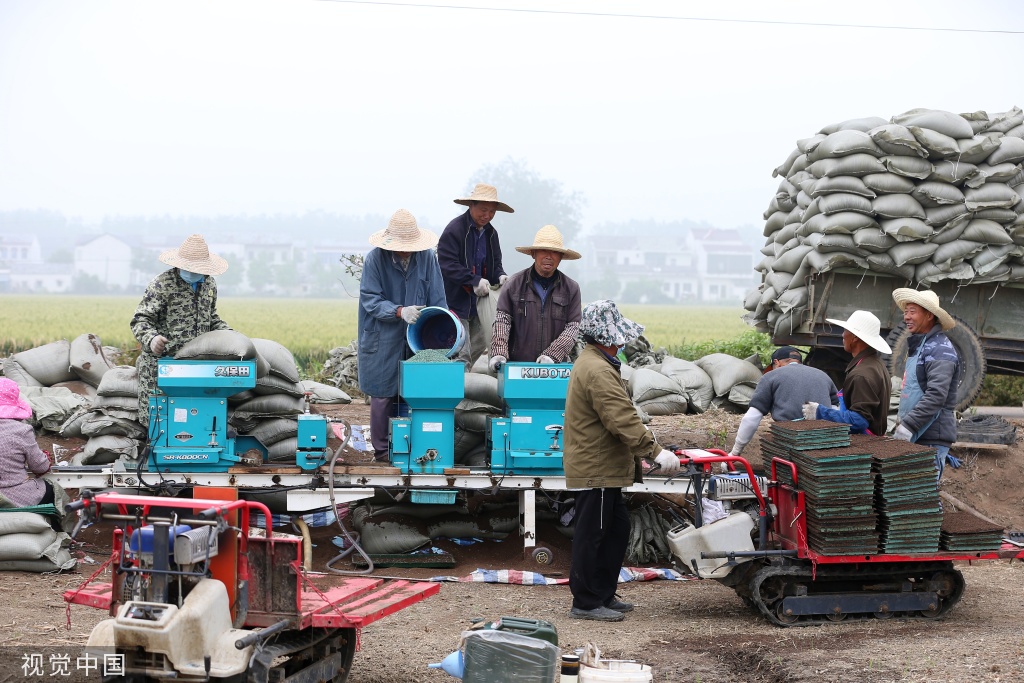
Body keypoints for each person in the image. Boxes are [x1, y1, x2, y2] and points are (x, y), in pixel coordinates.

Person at [563, 300, 681, 622]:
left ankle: (602, 593)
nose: (623, 340)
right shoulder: (598, 369)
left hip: (604, 466)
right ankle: (586, 602)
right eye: (619, 334)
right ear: (608, 335)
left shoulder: (597, 362)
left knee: (615, 529)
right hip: (597, 468)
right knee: (594, 534)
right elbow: (622, 419)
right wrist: (655, 452)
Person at [358, 209, 447, 463]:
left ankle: (415, 446)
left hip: (419, 334)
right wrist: (399, 311)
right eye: (401, 246)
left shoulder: (427, 258)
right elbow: (371, 300)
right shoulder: (375, 260)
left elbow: (438, 297)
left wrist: (441, 332)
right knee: (383, 392)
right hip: (382, 334)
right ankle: (383, 451)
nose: (405, 250)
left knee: (418, 389)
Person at [131, 234, 231, 426]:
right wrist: (152, 339)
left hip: (195, 367)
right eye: (188, 267)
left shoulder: (209, 284)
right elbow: (140, 320)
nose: (192, 272)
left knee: (193, 419)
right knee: (159, 423)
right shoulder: (162, 285)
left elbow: (212, 318)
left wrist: (230, 336)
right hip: (161, 367)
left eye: (197, 268)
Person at [488, 225, 582, 372]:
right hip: (517, 368)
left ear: (561, 257)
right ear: (533, 253)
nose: (549, 256)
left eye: (555, 252)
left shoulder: (571, 289)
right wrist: (499, 353)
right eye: (543, 250)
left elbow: (573, 328)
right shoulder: (513, 284)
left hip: (555, 369)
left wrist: (552, 356)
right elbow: (502, 321)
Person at [890, 288, 960, 485]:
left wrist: (908, 425)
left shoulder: (940, 350)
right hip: (918, 435)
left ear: (929, 315)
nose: (907, 317)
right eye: (906, 312)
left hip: (930, 437)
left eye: (912, 311)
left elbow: (937, 395)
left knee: (922, 498)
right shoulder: (922, 345)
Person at [437, 183, 511, 368]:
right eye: (483, 210)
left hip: (480, 304)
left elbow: (496, 264)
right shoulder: (455, 230)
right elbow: (447, 264)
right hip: (456, 302)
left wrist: (501, 276)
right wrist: (474, 280)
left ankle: (461, 387)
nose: (487, 216)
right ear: (471, 206)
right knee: (461, 355)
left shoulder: (491, 234)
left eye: (492, 212)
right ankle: (453, 394)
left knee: (475, 351)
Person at [729, 346, 838, 456]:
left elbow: (752, 417)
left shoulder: (771, 376)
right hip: (825, 440)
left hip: (791, 440)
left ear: (776, 362)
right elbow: (836, 410)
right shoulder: (824, 376)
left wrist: (735, 452)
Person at [802, 310, 892, 436]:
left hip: (864, 443)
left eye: (845, 331)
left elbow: (859, 421)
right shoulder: (876, 364)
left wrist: (820, 412)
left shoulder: (862, 374)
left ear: (855, 337)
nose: (843, 335)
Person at [0, 378, 54, 509]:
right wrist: (45, 458)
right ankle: (56, 527)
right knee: (52, 490)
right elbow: (40, 467)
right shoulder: (21, 430)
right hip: (15, 494)